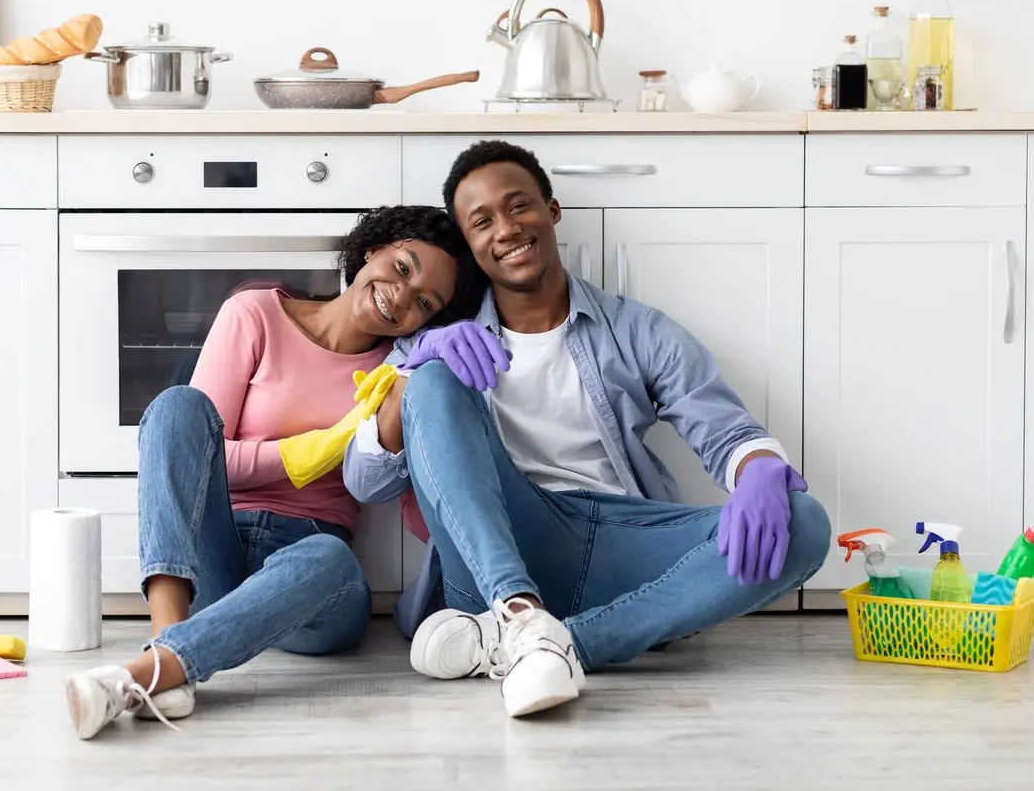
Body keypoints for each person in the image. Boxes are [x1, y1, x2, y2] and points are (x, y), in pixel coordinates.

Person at [343, 141, 832, 719]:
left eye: (518, 206)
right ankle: (517, 615)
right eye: (482, 222)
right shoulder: (441, 340)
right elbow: (365, 482)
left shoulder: (636, 329)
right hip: (503, 545)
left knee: (805, 520)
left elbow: (725, 431)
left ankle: (559, 645)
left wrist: (759, 469)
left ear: (552, 210)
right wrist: (416, 363)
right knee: (431, 383)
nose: (506, 229)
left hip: (623, 545)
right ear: (471, 246)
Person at [65, 205, 481, 740]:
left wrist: (438, 398)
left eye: (425, 302)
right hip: (217, 555)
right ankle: (168, 655)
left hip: (311, 577)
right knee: (176, 407)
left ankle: (156, 670)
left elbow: (416, 506)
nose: (402, 295)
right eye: (404, 267)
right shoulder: (256, 314)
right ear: (376, 248)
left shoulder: (395, 371)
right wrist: (300, 455)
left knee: (329, 556)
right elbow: (202, 458)